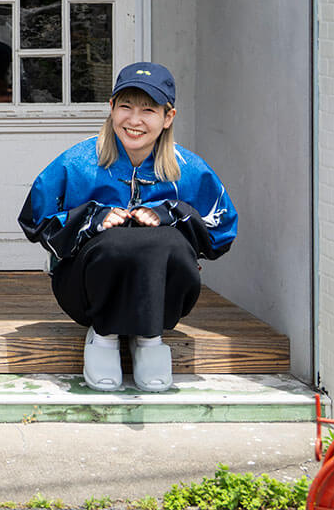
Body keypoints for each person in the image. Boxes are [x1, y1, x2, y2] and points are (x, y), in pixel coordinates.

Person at [16, 62, 237, 392]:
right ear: (111, 108)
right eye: (126, 107)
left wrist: (173, 214)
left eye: (148, 110)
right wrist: (90, 219)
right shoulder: (78, 162)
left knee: (166, 242)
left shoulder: (189, 169)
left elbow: (222, 232)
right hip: (85, 293)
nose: (134, 120)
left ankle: (150, 340)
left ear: (168, 117)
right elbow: (35, 219)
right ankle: (103, 337)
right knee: (116, 242)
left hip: (162, 299)